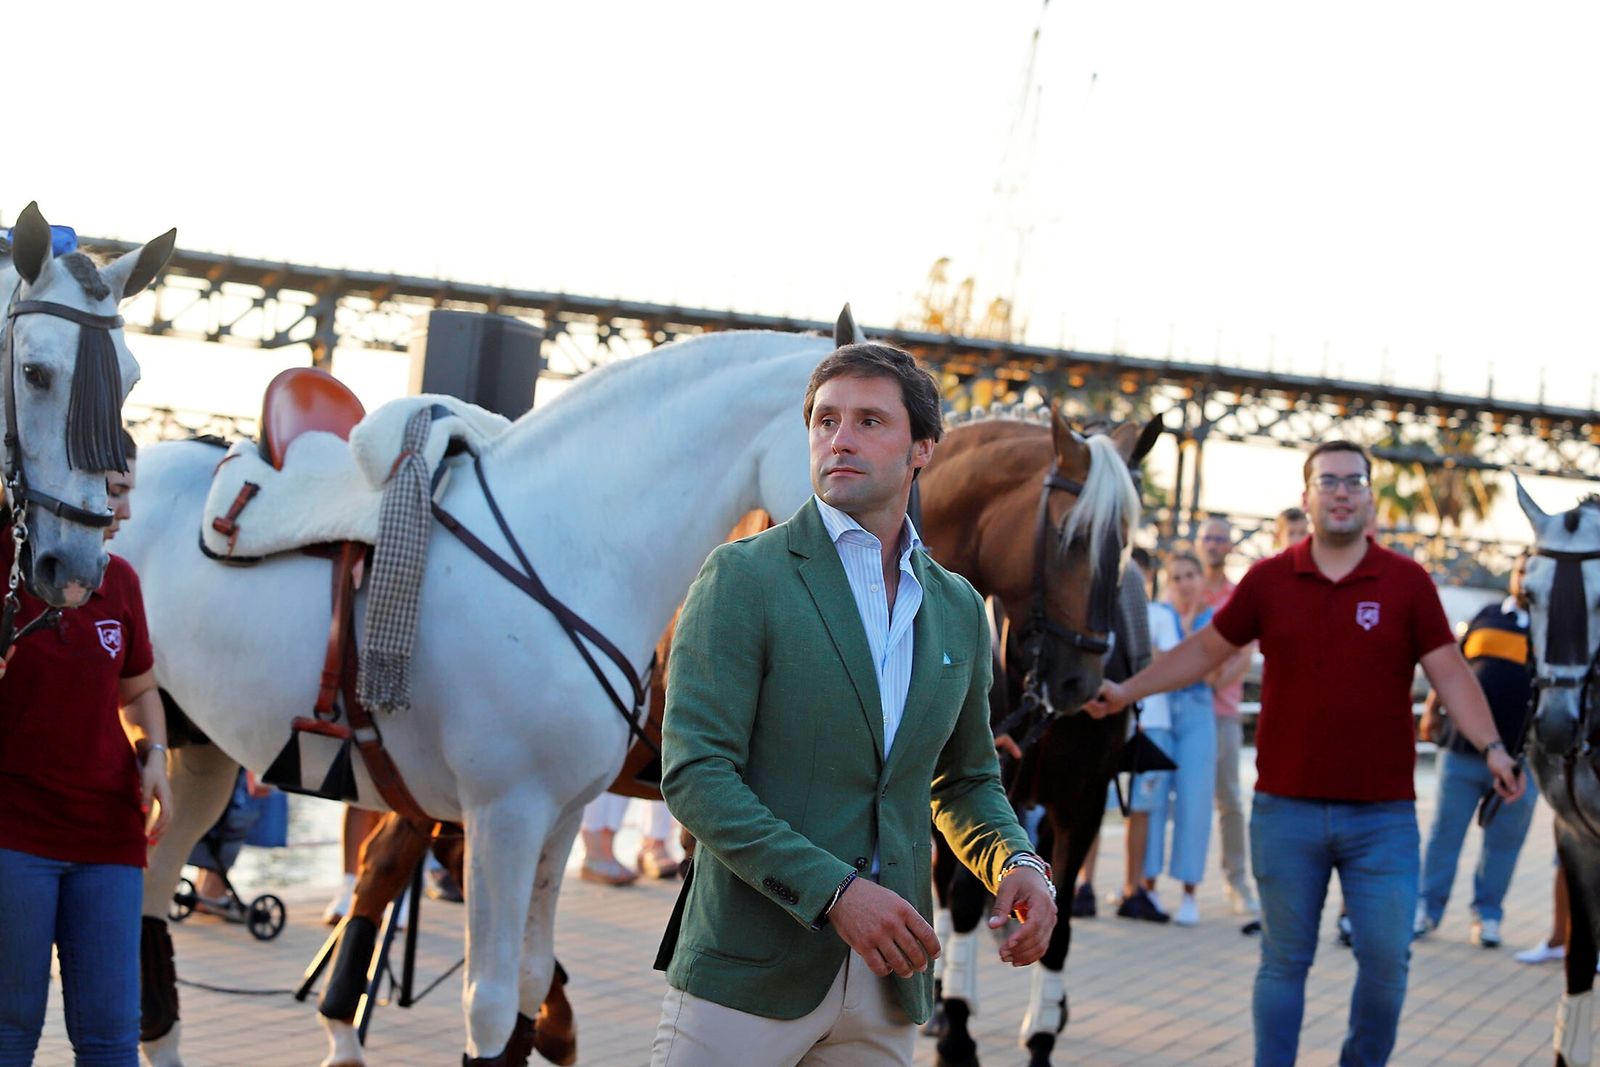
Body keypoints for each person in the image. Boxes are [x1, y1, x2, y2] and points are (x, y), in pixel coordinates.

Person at [653, 342, 1056, 1066]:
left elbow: (964, 779)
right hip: (748, 970)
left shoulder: (959, 607)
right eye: (825, 420)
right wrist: (835, 892)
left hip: (890, 979)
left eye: (870, 420)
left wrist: (1016, 859)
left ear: (922, 449)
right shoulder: (743, 577)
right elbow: (696, 776)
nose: (840, 438)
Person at [1087, 439, 1523, 1067]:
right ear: (1307, 496)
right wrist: (1126, 690)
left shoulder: (1407, 582)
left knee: (1387, 963)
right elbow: (1204, 650)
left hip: (1383, 819)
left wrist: (1494, 748)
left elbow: (1451, 673)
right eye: (1329, 481)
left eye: (1354, 481)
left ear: (1369, 497)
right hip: (1285, 812)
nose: (1342, 492)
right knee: (1284, 962)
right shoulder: (1270, 579)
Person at [0, 434, 174, 1064]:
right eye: (115, 490)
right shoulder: (3, 565)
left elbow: (138, 689)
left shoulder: (120, 581)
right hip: (14, 833)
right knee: (10, 1030)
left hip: (109, 835)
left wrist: (155, 754)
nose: (126, 510)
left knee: (110, 1037)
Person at [1415, 551, 1540, 948]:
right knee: (1444, 834)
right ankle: (1426, 909)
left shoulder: (1555, 628)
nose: (1524, 578)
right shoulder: (1487, 614)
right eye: (1520, 570)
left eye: (1533, 572)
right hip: (1462, 749)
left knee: (1504, 843)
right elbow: (1451, 667)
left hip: (1522, 761)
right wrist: (1432, 710)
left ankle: (1488, 915)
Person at [1138, 550, 1218, 927]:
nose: (1184, 583)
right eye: (1177, 577)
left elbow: (1214, 675)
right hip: (1161, 711)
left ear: (1201, 578)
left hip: (1199, 712)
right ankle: (1147, 885)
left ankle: (1189, 892)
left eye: (1190, 575)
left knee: (1194, 801)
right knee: (1151, 798)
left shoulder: (1213, 620)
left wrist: (1182, 643)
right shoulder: (1158, 615)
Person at [1116, 557, 1182, 924]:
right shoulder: (1101, 613)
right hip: (1110, 721)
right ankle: (1084, 885)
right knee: (1092, 806)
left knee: (1141, 810)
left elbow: (1169, 663)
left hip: (1151, 722)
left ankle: (1133, 887)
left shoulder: (1159, 615)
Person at [1198, 516, 1257, 915]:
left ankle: (1236, 881)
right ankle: (1142, 885)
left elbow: (1244, 655)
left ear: (1230, 546)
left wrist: (1210, 681)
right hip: (1181, 713)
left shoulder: (1237, 595)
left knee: (1230, 799)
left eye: (1221, 539)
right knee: (1156, 799)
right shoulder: (1183, 587)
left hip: (1222, 712)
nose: (1214, 545)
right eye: (1208, 538)